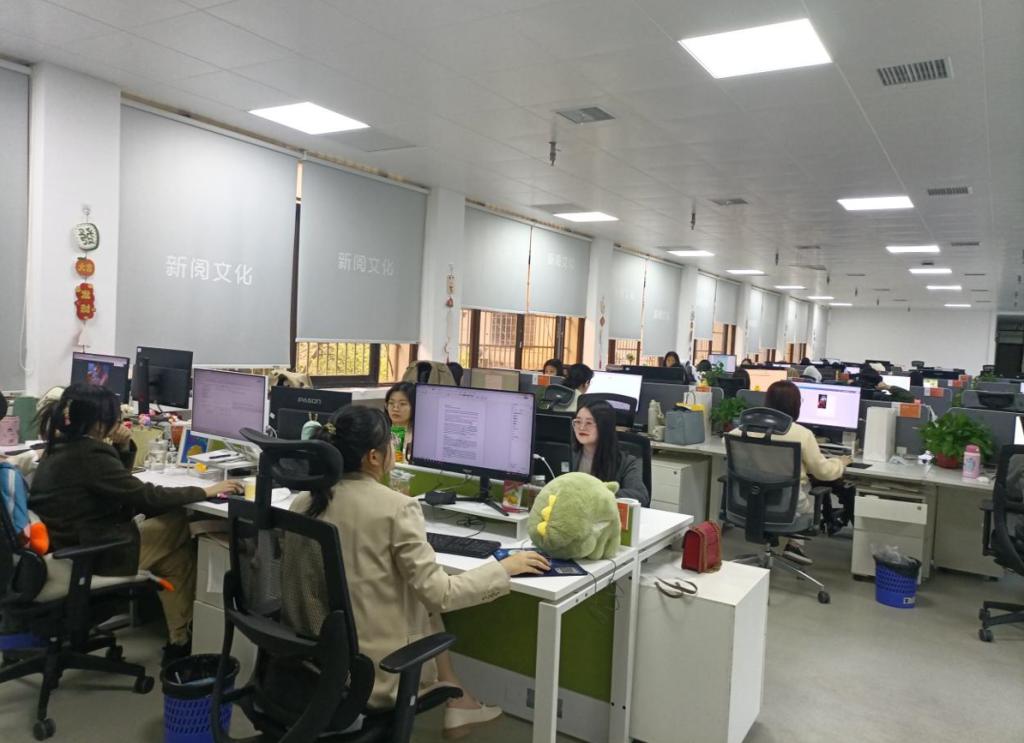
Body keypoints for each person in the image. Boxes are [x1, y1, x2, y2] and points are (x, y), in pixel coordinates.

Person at [281, 405, 549, 735]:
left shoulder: (306, 501)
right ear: (374, 457)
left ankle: (460, 702)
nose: (394, 447)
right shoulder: (396, 508)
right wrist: (503, 569)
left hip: (314, 659)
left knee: (416, 597)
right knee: (425, 597)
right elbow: (441, 594)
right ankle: (459, 702)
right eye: (389, 443)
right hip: (373, 671)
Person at [28, 383, 242, 663]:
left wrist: (122, 446)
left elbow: (116, 486)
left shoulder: (63, 445)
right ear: (99, 422)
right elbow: (145, 497)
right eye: (115, 418)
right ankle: (187, 635)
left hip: (68, 546)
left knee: (176, 561)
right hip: (92, 554)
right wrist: (207, 491)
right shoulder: (89, 455)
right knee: (178, 520)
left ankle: (180, 641)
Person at [729, 380, 848, 566]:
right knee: (808, 485)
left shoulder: (740, 431)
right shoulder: (802, 434)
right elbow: (824, 472)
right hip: (787, 507)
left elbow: (726, 442)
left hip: (748, 502)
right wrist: (840, 463)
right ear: (796, 405)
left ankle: (791, 546)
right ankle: (795, 544)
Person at [570, 401, 650, 507]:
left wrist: (599, 493)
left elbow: (641, 496)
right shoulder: (568, 454)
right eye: (578, 422)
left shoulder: (626, 462)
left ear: (604, 427)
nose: (581, 428)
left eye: (589, 423)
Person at [385, 382, 415, 460]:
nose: (395, 408)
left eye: (402, 404)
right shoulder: (380, 432)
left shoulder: (419, 437)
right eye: (391, 403)